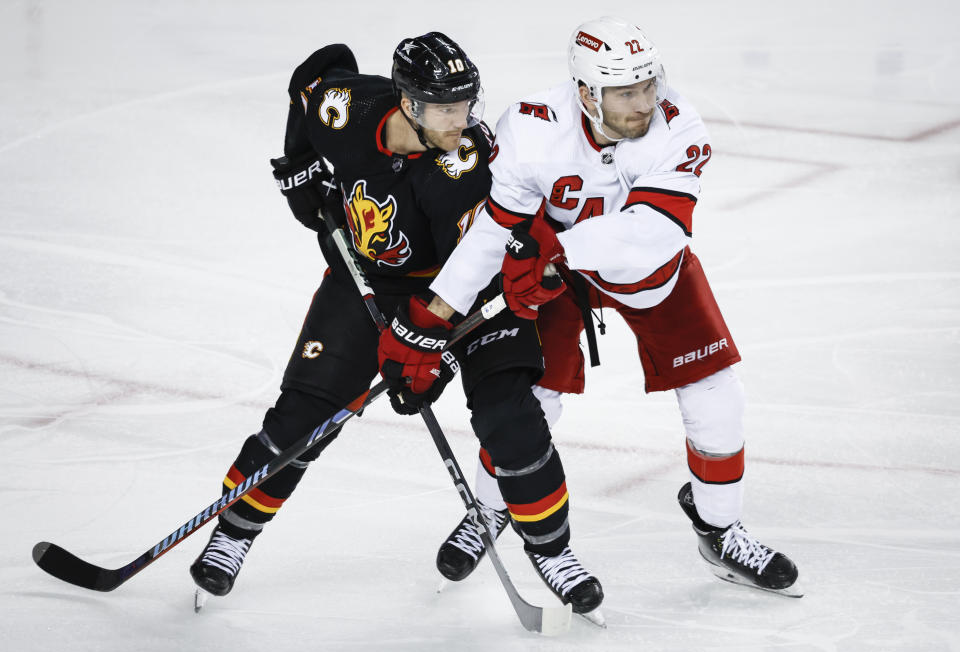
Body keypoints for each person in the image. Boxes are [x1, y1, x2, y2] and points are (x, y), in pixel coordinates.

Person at [190, 32, 604, 616]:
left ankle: (554, 552)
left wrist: (424, 344)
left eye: (466, 103)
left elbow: (470, 265)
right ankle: (232, 533)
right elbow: (314, 81)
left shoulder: (464, 166)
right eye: (445, 107)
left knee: (508, 413)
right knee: (304, 414)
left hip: (465, 293)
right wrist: (299, 168)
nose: (461, 120)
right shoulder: (351, 107)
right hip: (368, 280)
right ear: (406, 102)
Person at [392, 16, 802, 597]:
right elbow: (493, 229)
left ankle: (720, 527)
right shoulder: (533, 126)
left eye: (648, 86)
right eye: (626, 93)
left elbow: (655, 230)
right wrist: (435, 314)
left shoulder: (679, 126)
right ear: (586, 93)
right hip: (559, 276)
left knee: (718, 396)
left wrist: (556, 248)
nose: (644, 103)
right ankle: (491, 510)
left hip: (645, 272)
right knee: (535, 401)